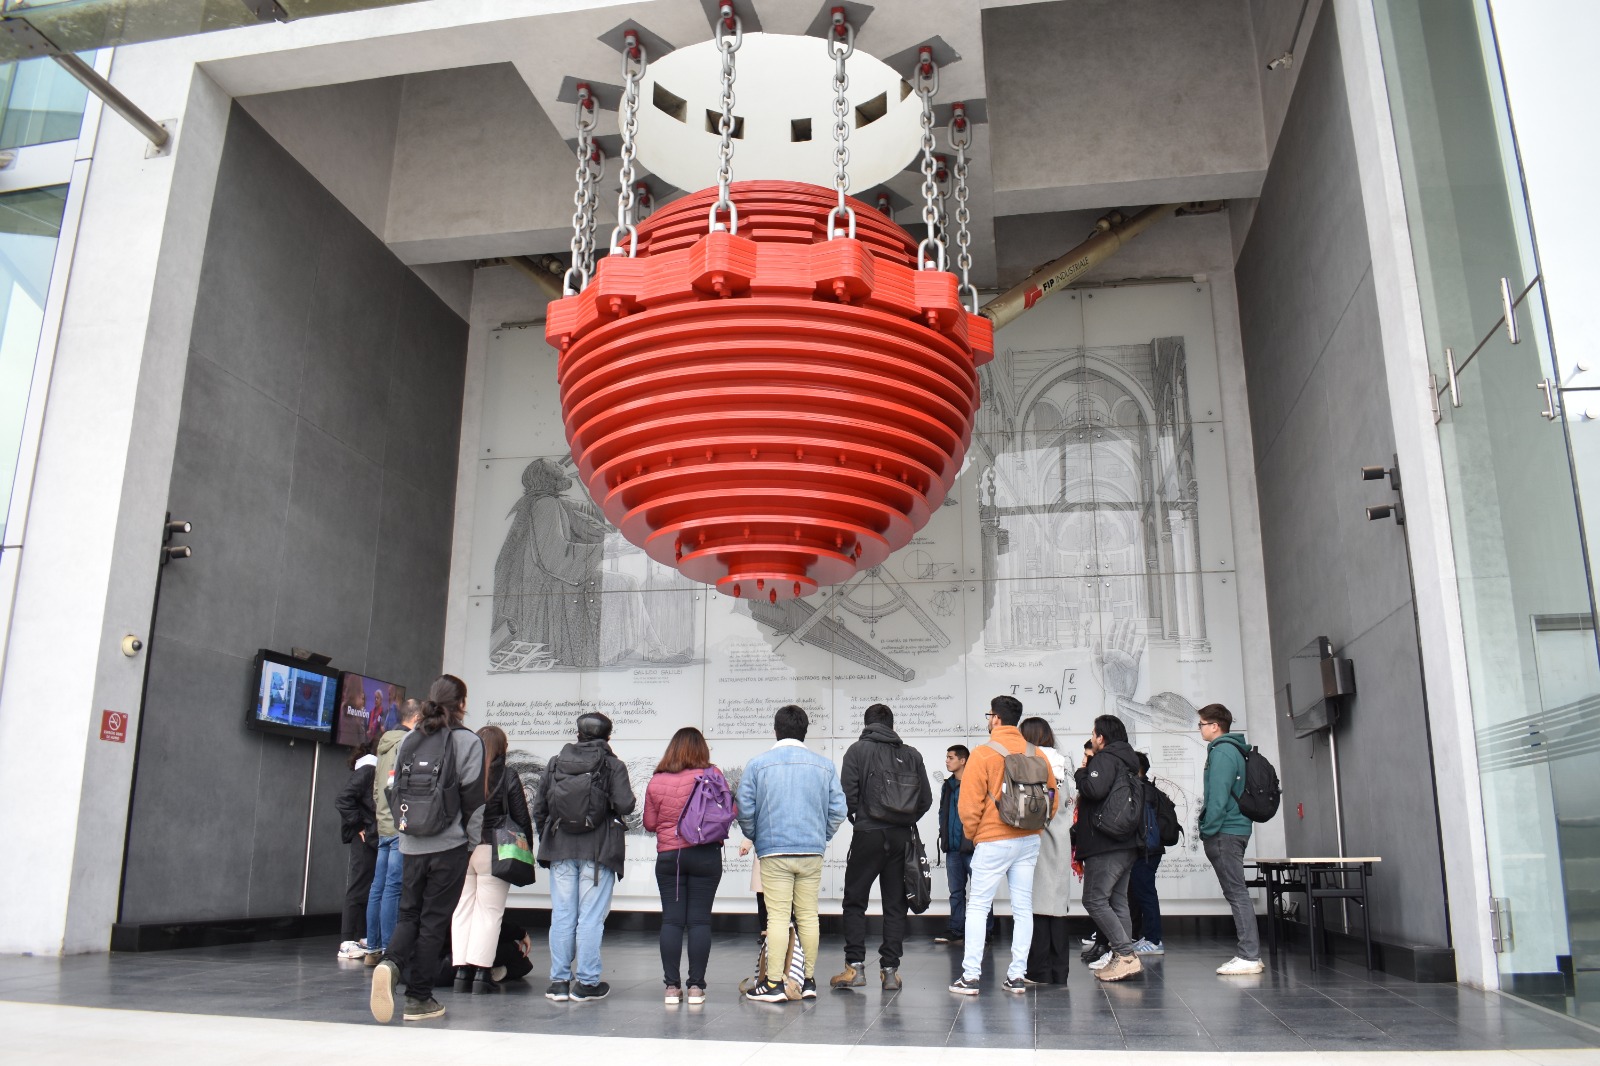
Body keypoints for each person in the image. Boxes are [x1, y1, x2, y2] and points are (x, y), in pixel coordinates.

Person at [370, 676, 485, 1023]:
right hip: (449, 845)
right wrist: (471, 842)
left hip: (411, 843)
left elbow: (393, 789)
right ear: (462, 703)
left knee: (409, 913)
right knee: (434, 920)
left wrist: (407, 828)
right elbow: (474, 802)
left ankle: (391, 963)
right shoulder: (468, 741)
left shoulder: (409, 739)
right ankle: (419, 998)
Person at [736, 704, 847, 1002]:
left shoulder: (758, 764)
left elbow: (744, 808)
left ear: (776, 730)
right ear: (805, 731)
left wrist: (755, 835)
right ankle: (807, 981)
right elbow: (839, 810)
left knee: (778, 918)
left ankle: (773, 984)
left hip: (774, 852)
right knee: (809, 916)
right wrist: (820, 836)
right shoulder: (824, 765)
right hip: (811, 851)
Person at [948, 695, 1058, 996]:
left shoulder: (983, 753)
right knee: (1023, 907)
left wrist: (975, 833)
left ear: (995, 718)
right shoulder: (1036, 752)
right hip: (1029, 839)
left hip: (994, 839)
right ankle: (1017, 976)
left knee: (978, 905)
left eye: (989, 715)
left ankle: (970, 977)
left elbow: (968, 804)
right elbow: (1052, 797)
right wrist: (1036, 825)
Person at [532, 711, 636, 1002]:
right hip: (597, 851)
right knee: (590, 918)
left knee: (563, 915)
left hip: (561, 849)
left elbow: (540, 808)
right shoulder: (613, 765)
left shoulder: (555, 763)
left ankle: (559, 981)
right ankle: (587, 983)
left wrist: (550, 836)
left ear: (577, 734)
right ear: (608, 736)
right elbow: (626, 805)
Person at [832, 703, 932, 991]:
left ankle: (855, 968)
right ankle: (890, 971)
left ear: (866, 724)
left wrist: (860, 818)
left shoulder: (857, 751)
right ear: (891, 724)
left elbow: (847, 798)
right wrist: (904, 820)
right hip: (901, 837)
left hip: (867, 834)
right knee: (895, 903)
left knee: (855, 900)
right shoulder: (911, 754)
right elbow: (924, 799)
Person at [642, 726, 730, 1005]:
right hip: (705, 854)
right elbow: (729, 812)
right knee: (700, 920)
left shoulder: (657, 781)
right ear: (701, 749)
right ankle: (696, 988)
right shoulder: (713, 775)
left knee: (672, 920)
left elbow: (649, 823)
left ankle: (671, 988)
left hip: (671, 857)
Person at [450, 724, 531, 994]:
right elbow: (521, 818)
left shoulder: (462, 772)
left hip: (461, 851)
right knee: (489, 914)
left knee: (462, 911)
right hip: (492, 850)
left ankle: (461, 972)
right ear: (502, 748)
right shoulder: (507, 775)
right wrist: (526, 848)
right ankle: (482, 975)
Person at [1075, 714, 1144, 983]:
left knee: (1093, 900)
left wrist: (1083, 770)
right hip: (1126, 842)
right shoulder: (1128, 760)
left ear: (1101, 737)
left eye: (1094, 733)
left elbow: (1093, 788)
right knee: (1117, 901)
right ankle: (1121, 958)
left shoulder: (1105, 759)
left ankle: (1125, 955)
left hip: (1106, 843)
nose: (1092, 738)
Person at [1198, 702, 1263, 975]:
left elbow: (1219, 795)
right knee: (1236, 892)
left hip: (1226, 831)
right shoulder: (1232, 749)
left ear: (1215, 726)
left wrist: (1207, 828)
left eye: (1201, 724)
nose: (1199, 729)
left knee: (1236, 893)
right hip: (1233, 829)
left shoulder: (1223, 751)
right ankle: (1249, 954)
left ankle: (1249, 955)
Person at [364, 699, 422, 967]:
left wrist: (381, 816)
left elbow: (378, 788)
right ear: (419, 716)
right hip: (399, 824)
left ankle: (373, 947)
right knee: (394, 886)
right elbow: (402, 785)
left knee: (378, 886)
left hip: (383, 823)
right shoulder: (408, 743)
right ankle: (389, 949)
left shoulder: (384, 742)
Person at [1020, 717, 1073, 984]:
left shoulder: (1032, 763)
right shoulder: (1065, 762)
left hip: (1038, 838)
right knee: (1057, 907)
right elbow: (1070, 801)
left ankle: (1038, 970)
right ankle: (1059, 970)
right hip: (1062, 840)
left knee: (1037, 905)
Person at [933, 745, 993, 945]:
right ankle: (956, 930)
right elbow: (943, 812)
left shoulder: (976, 783)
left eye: (950, 757)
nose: (947, 761)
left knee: (981, 892)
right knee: (956, 892)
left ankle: (985, 932)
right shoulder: (947, 785)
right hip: (952, 849)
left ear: (963, 760)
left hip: (974, 848)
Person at [335, 738, 379, 960]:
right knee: (359, 885)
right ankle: (347, 940)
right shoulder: (369, 769)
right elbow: (343, 799)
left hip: (369, 836)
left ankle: (361, 936)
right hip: (364, 837)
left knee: (368, 885)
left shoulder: (370, 768)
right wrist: (360, 825)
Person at [1129, 751, 1167, 957]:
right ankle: (1148, 936)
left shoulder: (1141, 790)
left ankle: (1154, 940)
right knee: (1141, 892)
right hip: (1150, 849)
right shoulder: (1149, 789)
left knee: (1146, 893)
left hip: (1146, 850)